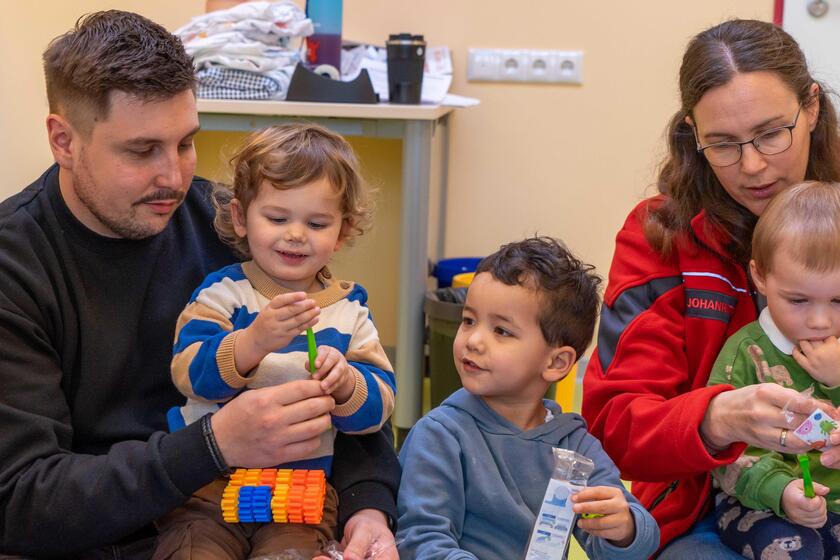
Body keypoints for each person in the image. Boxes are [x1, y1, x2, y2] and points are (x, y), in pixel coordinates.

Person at [0, 11, 398, 559]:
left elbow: (337, 353)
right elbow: (21, 500)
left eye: (186, 143)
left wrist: (368, 507)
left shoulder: (232, 226)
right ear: (63, 140)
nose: (174, 176)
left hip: (273, 512)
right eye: (142, 151)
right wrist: (214, 445)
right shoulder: (14, 268)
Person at [581, 18, 840, 559]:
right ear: (692, 137)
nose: (752, 165)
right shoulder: (661, 239)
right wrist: (716, 418)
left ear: (811, 107)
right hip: (707, 508)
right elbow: (613, 423)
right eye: (721, 144)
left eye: (772, 132)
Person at [154, 123, 396, 559]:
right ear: (240, 218)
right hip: (209, 487)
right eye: (278, 217)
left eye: (317, 222)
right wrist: (252, 342)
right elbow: (188, 372)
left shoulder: (350, 311)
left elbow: (378, 409)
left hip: (302, 495)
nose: (296, 234)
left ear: (342, 231)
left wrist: (345, 384)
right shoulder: (221, 294)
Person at [396, 237, 660, 559]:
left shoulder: (574, 448)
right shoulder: (440, 434)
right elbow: (421, 542)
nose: (474, 340)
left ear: (555, 363)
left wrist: (624, 528)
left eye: (502, 331)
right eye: (469, 321)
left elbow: (635, 541)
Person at [708, 181, 840, 559]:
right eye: (798, 300)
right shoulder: (745, 354)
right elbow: (728, 454)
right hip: (757, 501)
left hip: (833, 505)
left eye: (838, 299)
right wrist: (781, 491)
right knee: (796, 551)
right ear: (761, 277)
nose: (820, 320)